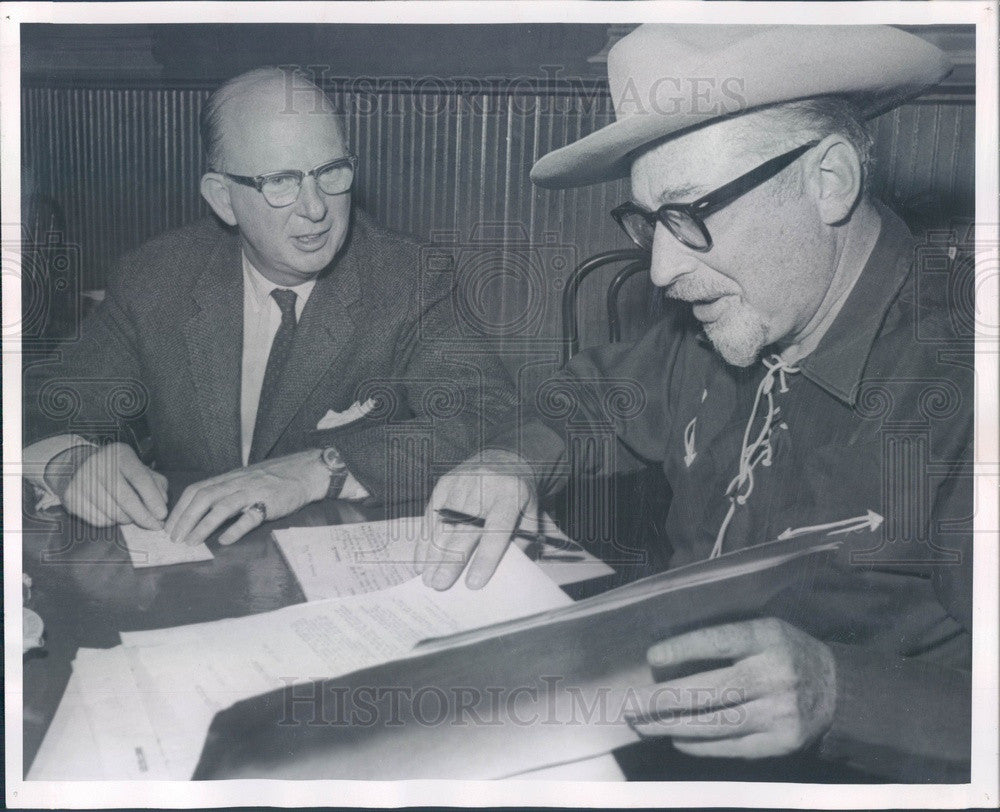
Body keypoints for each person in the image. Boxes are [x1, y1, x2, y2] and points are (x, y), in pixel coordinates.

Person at [416, 25, 972, 780]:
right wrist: (509, 456)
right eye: (648, 222)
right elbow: (593, 395)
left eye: (689, 213)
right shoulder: (720, 326)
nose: (661, 269)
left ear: (830, 180)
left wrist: (842, 692)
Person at [23, 66, 516, 548]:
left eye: (331, 171)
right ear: (223, 199)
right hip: (192, 576)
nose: (316, 207)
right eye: (280, 181)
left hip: (337, 574)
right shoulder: (156, 280)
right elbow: (35, 400)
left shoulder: (408, 277)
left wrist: (321, 467)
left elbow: (487, 417)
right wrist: (70, 461)